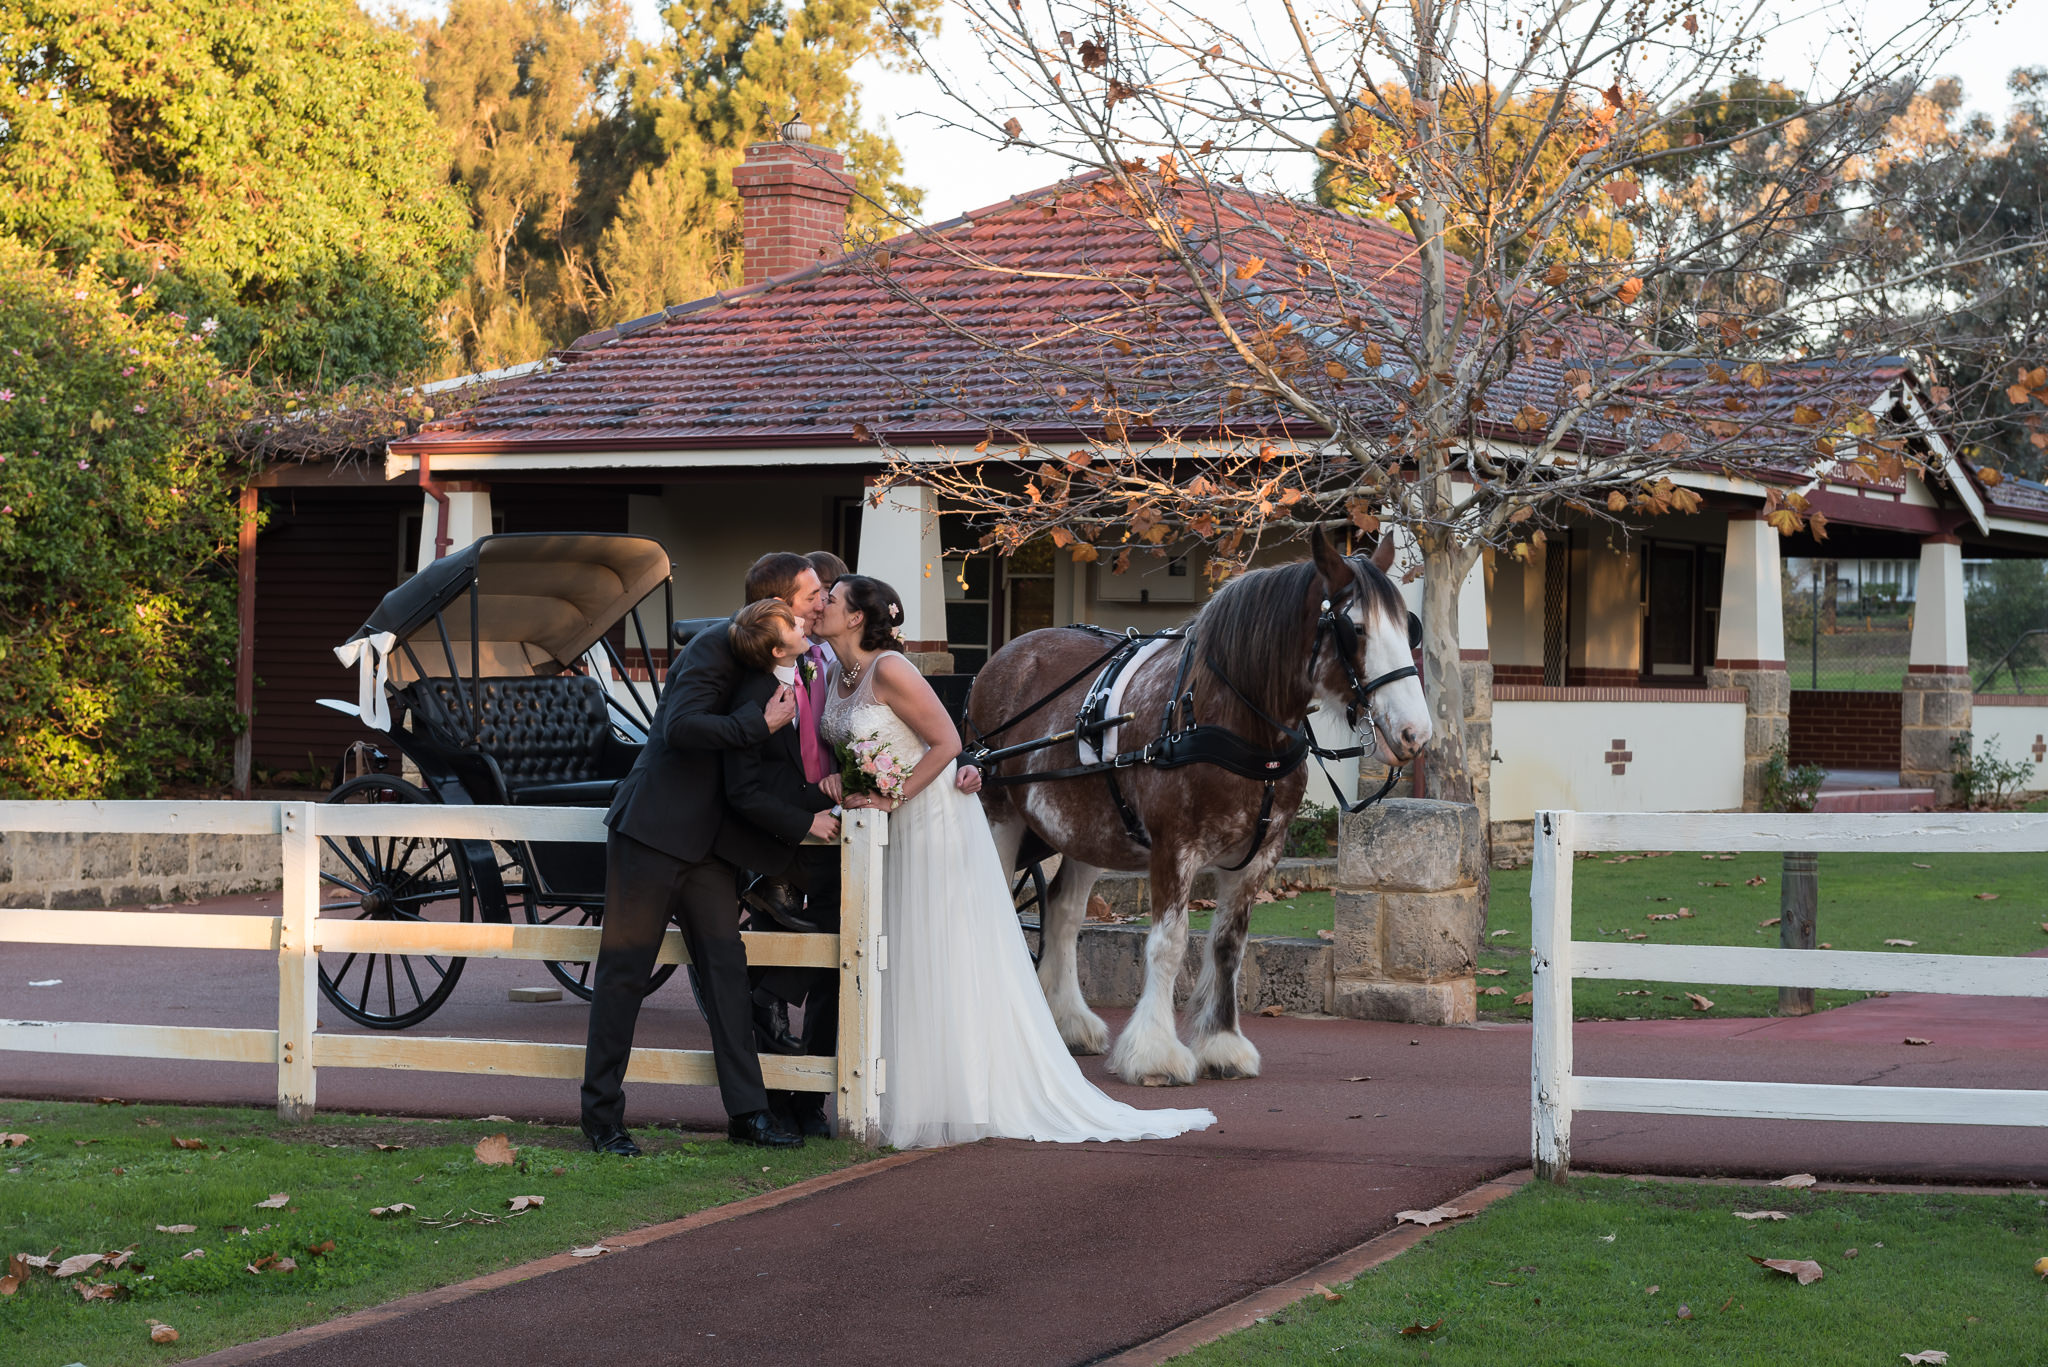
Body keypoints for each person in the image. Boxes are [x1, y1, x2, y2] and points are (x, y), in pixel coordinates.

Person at [811, 574, 1215, 1148]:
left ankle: (968, 1094)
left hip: (929, 820)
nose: (821, 604)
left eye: (831, 598)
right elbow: (854, 743)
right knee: (902, 953)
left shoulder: (891, 669)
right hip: (887, 824)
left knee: (942, 952)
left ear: (855, 617)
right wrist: (841, 777)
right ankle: (908, 1089)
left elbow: (948, 745)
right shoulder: (834, 672)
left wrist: (889, 796)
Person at [580, 552, 822, 1155]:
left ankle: (749, 1113)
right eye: (813, 594)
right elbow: (679, 728)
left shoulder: (799, 662)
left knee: (726, 975)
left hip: (713, 850)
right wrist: (756, 728)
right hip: (654, 834)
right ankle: (602, 1119)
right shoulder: (714, 647)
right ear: (779, 604)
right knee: (624, 977)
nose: (822, 602)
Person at [723, 599, 843, 1137]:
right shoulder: (752, 690)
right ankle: (772, 1098)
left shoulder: (821, 665)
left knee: (836, 961)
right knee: (790, 959)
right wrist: (803, 821)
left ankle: (810, 1100)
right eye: (808, 602)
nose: (815, 612)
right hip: (782, 846)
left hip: (834, 830)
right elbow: (745, 787)